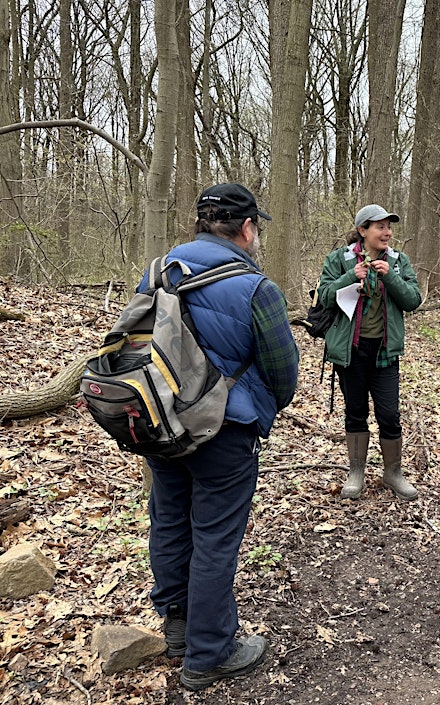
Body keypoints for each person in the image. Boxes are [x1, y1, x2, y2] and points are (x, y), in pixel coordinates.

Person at [144, 183, 299, 691]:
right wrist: (258, 410)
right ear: (247, 229)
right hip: (224, 432)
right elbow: (284, 371)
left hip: (162, 425)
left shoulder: (160, 270)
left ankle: (179, 630)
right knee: (215, 537)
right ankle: (210, 654)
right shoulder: (257, 288)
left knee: (170, 520)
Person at [317, 204, 423, 501]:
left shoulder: (399, 261)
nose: (387, 232)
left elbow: (413, 300)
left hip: (385, 351)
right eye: (380, 226)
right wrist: (351, 276)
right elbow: (324, 297)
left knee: (389, 414)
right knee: (356, 413)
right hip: (350, 350)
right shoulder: (339, 259)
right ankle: (356, 472)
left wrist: (390, 276)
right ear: (363, 230)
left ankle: (393, 472)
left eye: (389, 227)